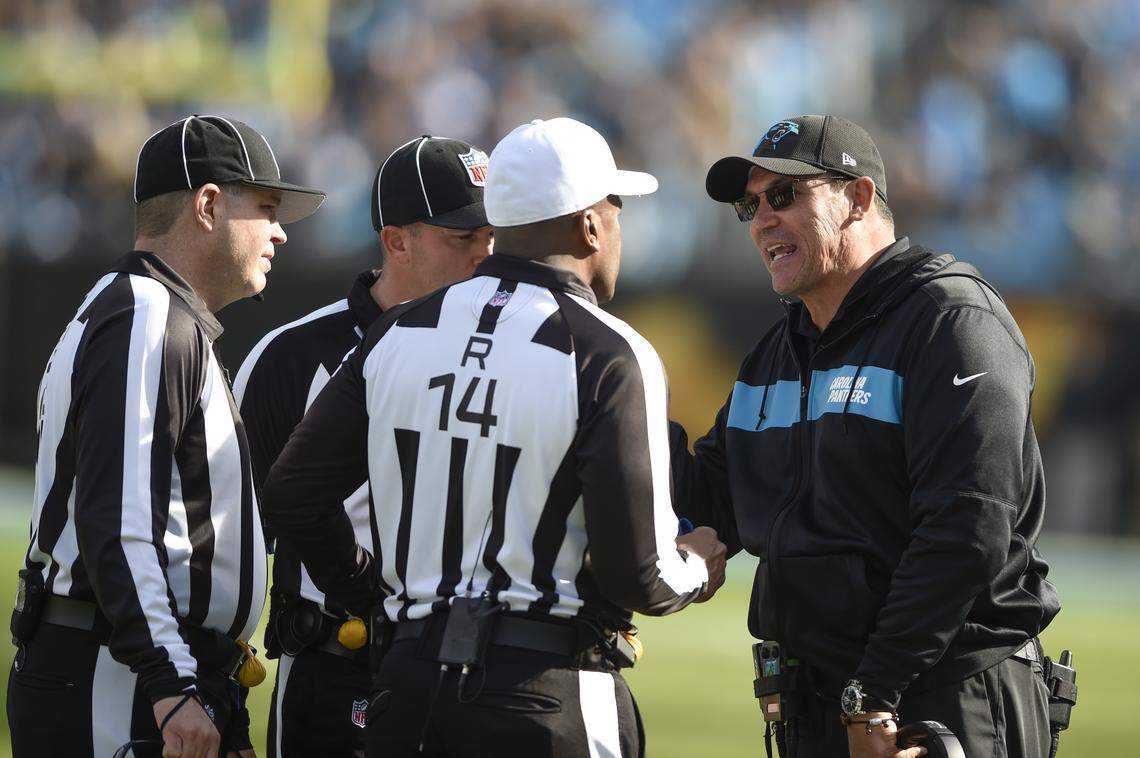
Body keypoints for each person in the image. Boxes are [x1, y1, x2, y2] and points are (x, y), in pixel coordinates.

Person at [259, 117, 728, 758]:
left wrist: (373, 593)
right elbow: (636, 576)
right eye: (616, 208)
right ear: (590, 225)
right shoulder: (611, 353)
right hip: (546, 689)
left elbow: (293, 494)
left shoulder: (397, 332)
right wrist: (696, 565)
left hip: (405, 689)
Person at [672, 115, 1060, 758]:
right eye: (750, 205)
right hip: (823, 705)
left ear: (857, 197)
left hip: (937, 699)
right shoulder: (779, 350)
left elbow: (966, 530)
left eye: (783, 195)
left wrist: (875, 692)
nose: (762, 219)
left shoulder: (950, 321)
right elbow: (712, 497)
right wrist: (615, 402)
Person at [8, 115, 325, 758]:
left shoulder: (147, 313)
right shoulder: (145, 317)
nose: (280, 232)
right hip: (118, 679)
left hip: (142, 672)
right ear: (207, 206)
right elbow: (117, 522)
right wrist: (170, 681)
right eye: (266, 208)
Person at [233, 135, 494, 757]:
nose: (486, 254)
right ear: (396, 241)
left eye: (494, 235)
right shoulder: (291, 356)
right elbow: (234, 547)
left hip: (482, 677)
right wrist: (222, 702)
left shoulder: (513, 348)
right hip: (336, 671)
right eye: (464, 237)